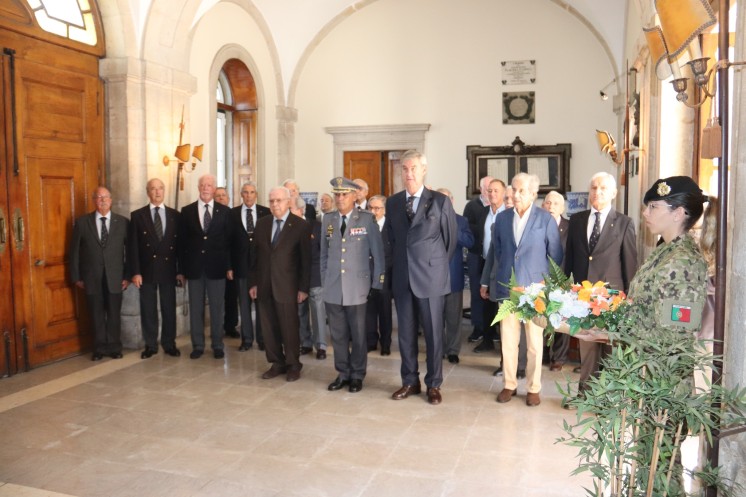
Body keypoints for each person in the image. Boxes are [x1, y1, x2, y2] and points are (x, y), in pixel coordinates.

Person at [385, 150, 457, 405]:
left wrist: (433, 266)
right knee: (404, 334)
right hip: (403, 279)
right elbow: (390, 242)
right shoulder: (393, 203)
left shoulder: (439, 201)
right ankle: (409, 381)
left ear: (424, 170)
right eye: (405, 169)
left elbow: (450, 242)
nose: (409, 173)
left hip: (431, 279)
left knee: (434, 334)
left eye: (414, 168)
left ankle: (434, 384)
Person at [489, 173, 563, 406]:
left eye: (522, 191)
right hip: (509, 289)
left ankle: (533, 388)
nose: (516, 194)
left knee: (533, 343)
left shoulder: (545, 219)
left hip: (535, 292)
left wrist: (545, 285)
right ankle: (509, 384)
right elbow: (499, 252)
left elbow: (556, 256)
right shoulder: (502, 219)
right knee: (508, 341)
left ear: (533, 194)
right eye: (514, 189)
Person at [563, 172, 637, 402]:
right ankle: (585, 395)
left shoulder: (624, 223)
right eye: (594, 188)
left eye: (603, 188)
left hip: (612, 299)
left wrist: (630, 299)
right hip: (583, 298)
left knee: (610, 349)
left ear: (614, 193)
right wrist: (567, 292)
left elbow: (630, 264)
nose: (598, 192)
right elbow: (570, 259)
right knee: (587, 349)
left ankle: (609, 398)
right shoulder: (577, 220)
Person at [322, 177, 385, 393]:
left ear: (354, 196)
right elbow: (324, 254)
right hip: (333, 287)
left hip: (357, 288)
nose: (339, 198)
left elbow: (378, 254)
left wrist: (377, 282)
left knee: (358, 334)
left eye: (344, 194)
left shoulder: (366, 219)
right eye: (337, 194)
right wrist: (324, 279)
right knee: (338, 334)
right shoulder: (328, 219)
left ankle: (357, 374)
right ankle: (343, 373)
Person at [249, 186, 311, 382]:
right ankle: (277, 362)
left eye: (279, 201)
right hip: (265, 285)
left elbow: (306, 261)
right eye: (272, 201)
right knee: (268, 328)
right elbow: (254, 257)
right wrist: (253, 283)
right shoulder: (262, 224)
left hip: (288, 287)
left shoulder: (300, 225)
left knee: (289, 327)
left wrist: (303, 288)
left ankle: (293, 364)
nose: (275, 204)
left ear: (288, 202)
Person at [70, 186, 130, 361]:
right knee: (96, 314)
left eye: (106, 197)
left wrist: (127, 276)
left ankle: (114, 347)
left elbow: (130, 252)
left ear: (111, 200)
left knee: (114, 314)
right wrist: (76, 277)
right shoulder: (82, 223)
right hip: (91, 277)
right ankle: (99, 348)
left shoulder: (123, 222)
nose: (103, 200)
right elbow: (74, 252)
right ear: (94, 200)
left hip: (116, 277)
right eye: (99, 197)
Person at [178, 174, 233, 360]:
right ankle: (198, 345)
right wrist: (181, 270)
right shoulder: (186, 211)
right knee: (196, 308)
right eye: (203, 185)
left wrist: (229, 266)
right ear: (198, 187)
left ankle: (217, 344)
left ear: (214, 188)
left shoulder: (224, 212)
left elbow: (228, 242)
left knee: (217, 308)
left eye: (209, 185)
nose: (206, 188)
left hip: (217, 268)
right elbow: (182, 243)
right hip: (194, 269)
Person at [128, 178, 182, 359]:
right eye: (153, 189)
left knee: (169, 308)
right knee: (148, 309)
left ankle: (169, 343)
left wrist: (180, 270)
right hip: (146, 270)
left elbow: (180, 246)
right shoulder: (137, 216)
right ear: (147, 192)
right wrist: (135, 272)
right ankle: (150, 345)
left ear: (164, 191)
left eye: (160, 188)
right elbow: (133, 247)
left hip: (168, 270)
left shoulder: (175, 215)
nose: (157, 192)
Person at [230, 181, 271, 351]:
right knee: (244, 305)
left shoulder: (266, 213)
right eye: (245, 192)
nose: (248, 195)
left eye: (252, 192)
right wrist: (229, 267)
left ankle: (262, 339)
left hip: (261, 268)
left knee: (261, 304)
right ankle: (246, 340)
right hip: (240, 267)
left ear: (256, 194)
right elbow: (227, 243)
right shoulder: (232, 214)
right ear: (241, 194)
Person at [437, 188, 474, 364]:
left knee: (453, 317)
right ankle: (437, 349)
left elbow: (469, 241)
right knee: (435, 318)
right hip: (432, 278)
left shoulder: (461, 220)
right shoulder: (428, 219)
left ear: (451, 202)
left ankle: (452, 350)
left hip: (453, 277)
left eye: (446, 200)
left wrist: (452, 227)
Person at [474, 179, 506, 354]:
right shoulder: (483, 213)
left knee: (501, 306)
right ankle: (487, 340)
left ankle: (503, 343)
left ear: (503, 193)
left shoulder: (508, 213)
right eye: (490, 191)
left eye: (496, 191)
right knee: (485, 303)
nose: (492, 194)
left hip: (501, 266)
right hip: (484, 262)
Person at [541, 190, 570, 371]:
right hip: (542, 279)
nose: (551, 206)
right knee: (542, 317)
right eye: (547, 203)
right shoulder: (536, 225)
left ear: (562, 208)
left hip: (564, 278)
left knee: (562, 319)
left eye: (555, 203)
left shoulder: (571, 226)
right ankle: (544, 352)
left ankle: (559, 357)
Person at [462, 175, 492, 343]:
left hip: (492, 256)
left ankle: (491, 328)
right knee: (476, 291)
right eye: (488, 189)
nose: (490, 192)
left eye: (493, 189)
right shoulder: (472, 206)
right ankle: (478, 327)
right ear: (481, 189)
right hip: (476, 254)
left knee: (492, 293)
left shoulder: (499, 206)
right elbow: (468, 228)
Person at [290, 196, 317, 356]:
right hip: (294, 276)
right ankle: (304, 342)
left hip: (313, 276)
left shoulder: (315, 226)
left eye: (291, 208)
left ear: (301, 210)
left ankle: (319, 345)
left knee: (316, 313)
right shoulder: (288, 226)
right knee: (300, 311)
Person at [214, 187, 240, 339]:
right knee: (216, 298)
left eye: (223, 195)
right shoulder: (210, 214)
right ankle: (216, 327)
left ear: (228, 198)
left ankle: (231, 325)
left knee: (231, 296)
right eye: (218, 196)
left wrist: (230, 265)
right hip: (215, 263)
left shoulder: (233, 215)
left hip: (231, 262)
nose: (221, 198)